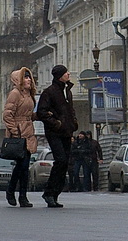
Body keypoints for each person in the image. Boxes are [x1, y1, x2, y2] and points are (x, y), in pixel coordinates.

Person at [36, 64, 78, 208]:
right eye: (66, 73)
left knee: (65, 162)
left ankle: (54, 194)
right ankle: (49, 193)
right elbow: (42, 112)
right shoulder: (49, 92)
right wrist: (56, 124)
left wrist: (74, 123)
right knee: (60, 160)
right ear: (60, 75)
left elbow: (70, 110)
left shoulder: (67, 91)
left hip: (66, 132)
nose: (69, 74)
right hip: (54, 132)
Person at [3, 66, 38, 208]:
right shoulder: (15, 93)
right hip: (18, 133)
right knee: (21, 165)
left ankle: (23, 196)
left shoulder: (29, 95)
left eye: (29, 77)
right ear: (19, 79)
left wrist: (40, 115)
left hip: (28, 132)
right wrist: (15, 131)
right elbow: (7, 114)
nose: (28, 80)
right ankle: (11, 191)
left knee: (24, 166)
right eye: (25, 77)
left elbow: (28, 114)